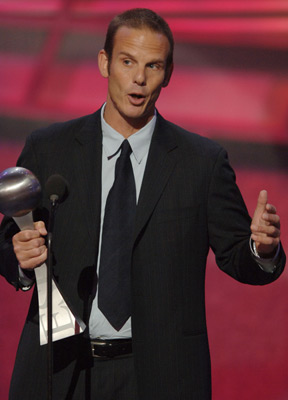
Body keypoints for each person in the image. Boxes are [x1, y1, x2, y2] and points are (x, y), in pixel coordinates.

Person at [0, 8, 285, 400]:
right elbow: (10, 240)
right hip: (59, 370)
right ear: (105, 63)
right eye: (127, 62)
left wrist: (262, 248)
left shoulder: (201, 162)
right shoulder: (50, 148)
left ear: (168, 73)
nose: (139, 78)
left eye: (153, 66)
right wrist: (19, 256)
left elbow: (240, 256)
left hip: (162, 376)